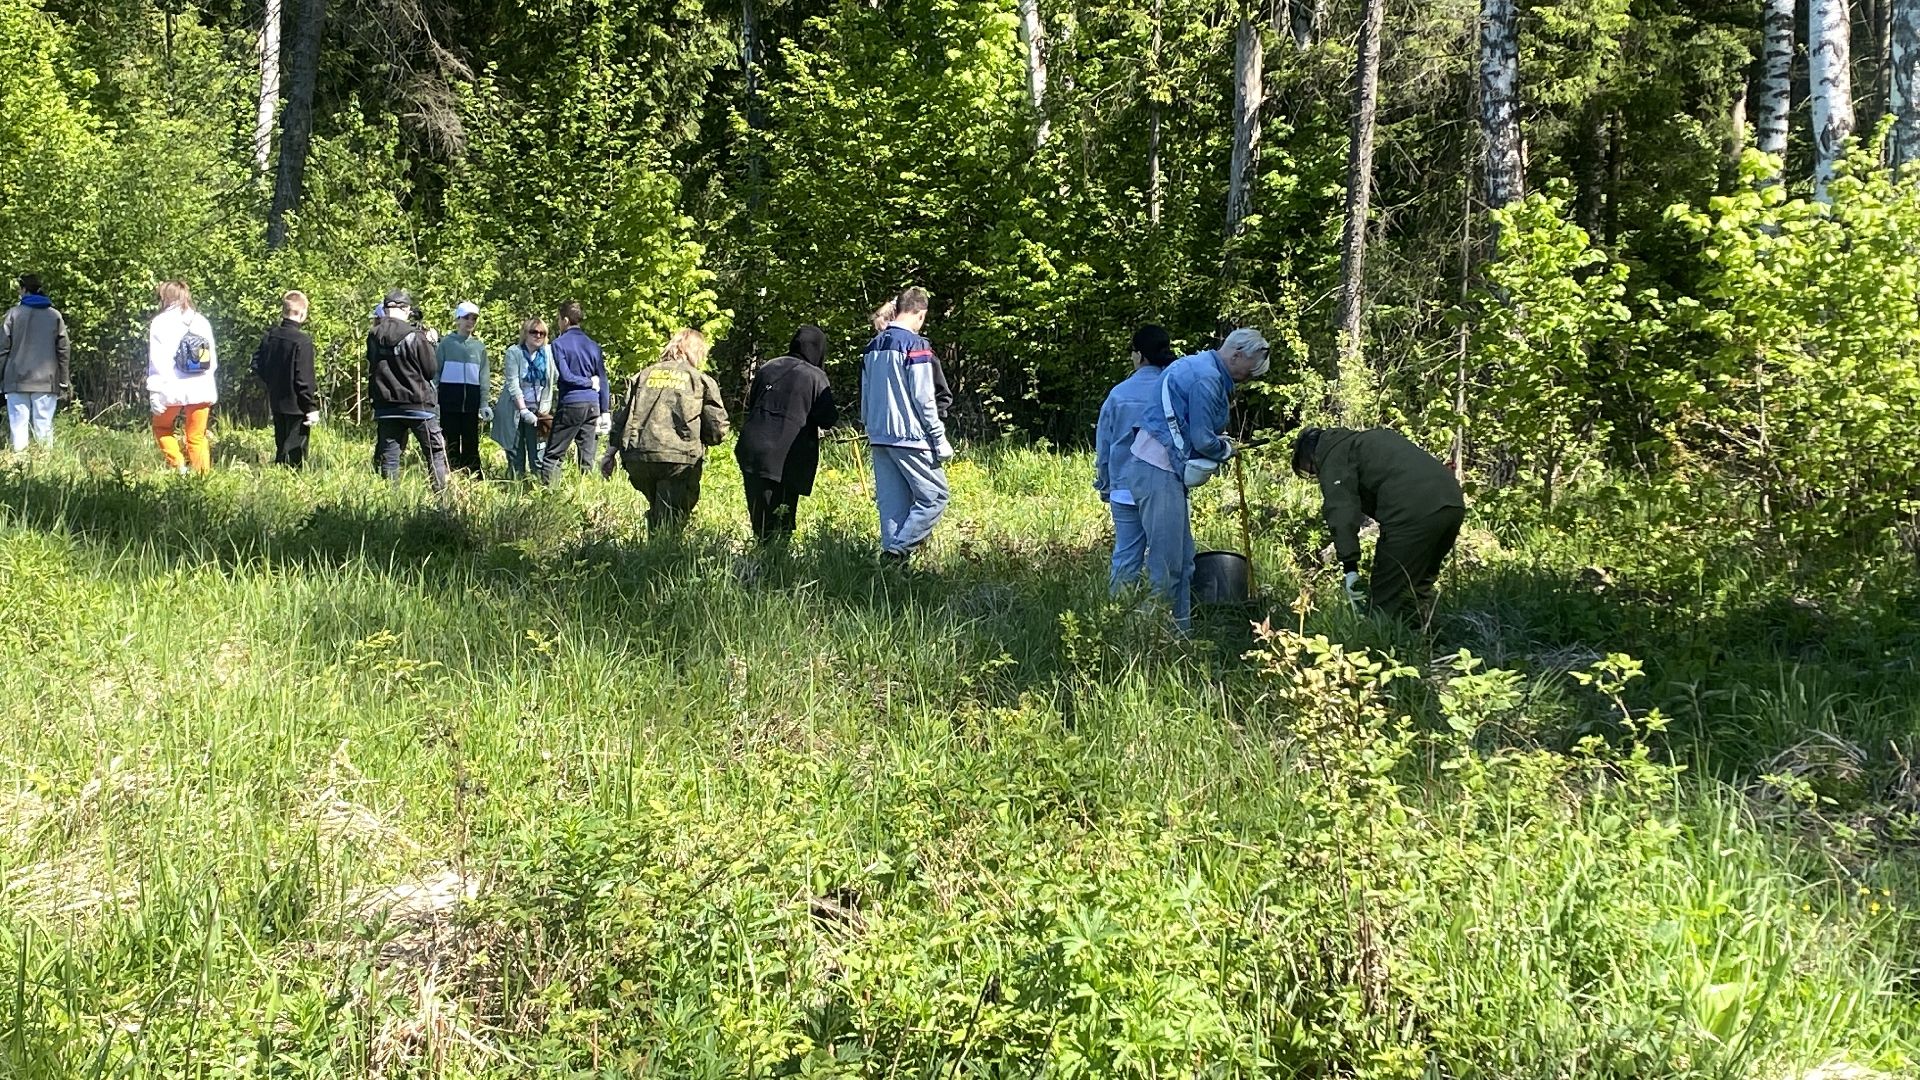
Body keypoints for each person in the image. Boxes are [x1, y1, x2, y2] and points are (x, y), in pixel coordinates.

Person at [1120, 327, 1272, 630]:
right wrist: (1226, 448)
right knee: (1168, 565)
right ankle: (1153, 639)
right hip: (1158, 470)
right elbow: (1203, 439)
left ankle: (1181, 632)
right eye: (1251, 367)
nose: (1252, 375)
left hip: (1154, 468)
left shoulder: (1195, 364)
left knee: (1184, 560)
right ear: (1236, 354)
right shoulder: (1208, 379)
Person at [1292, 426, 1466, 625]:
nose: (1316, 474)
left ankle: (1385, 649)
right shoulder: (1367, 440)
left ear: (1311, 456)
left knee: (1385, 604)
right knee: (1415, 590)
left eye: (1312, 470)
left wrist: (1350, 569)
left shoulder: (1332, 455)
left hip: (1413, 512)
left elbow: (1341, 513)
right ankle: (1427, 646)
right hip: (1452, 503)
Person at [861, 287, 953, 562]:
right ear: (920, 314)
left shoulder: (872, 346)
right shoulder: (916, 346)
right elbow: (924, 398)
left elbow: (865, 396)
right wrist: (939, 439)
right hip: (911, 437)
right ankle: (896, 553)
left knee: (893, 508)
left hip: (879, 437)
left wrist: (869, 427)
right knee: (935, 497)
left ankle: (892, 572)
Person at [610, 329, 729, 531]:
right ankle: (664, 556)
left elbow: (620, 417)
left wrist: (609, 453)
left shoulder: (642, 376)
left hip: (638, 456)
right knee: (673, 517)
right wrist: (706, 440)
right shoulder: (700, 380)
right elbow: (718, 428)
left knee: (658, 508)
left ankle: (652, 546)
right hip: (678, 459)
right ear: (696, 352)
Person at [735, 325, 839, 543]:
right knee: (781, 519)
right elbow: (828, 418)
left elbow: (753, 403)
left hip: (752, 449)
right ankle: (774, 566)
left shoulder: (768, 367)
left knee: (760, 516)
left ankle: (762, 561)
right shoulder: (816, 377)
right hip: (786, 456)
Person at [1093, 325, 1176, 593]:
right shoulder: (1173, 390)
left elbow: (1104, 445)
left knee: (1126, 557)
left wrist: (1105, 484)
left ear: (1139, 355)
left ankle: (1118, 618)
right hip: (1164, 487)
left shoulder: (1118, 394)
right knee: (1164, 560)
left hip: (1123, 487)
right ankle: (1161, 621)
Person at [366, 289, 449, 492]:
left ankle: (389, 504)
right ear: (406, 310)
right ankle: (442, 503)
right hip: (418, 404)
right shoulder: (415, 336)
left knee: (390, 459)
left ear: (385, 310)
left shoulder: (373, 336)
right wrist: (431, 343)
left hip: (386, 406)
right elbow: (430, 371)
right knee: (435, 453)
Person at [147, 280, 220, 474]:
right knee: (197, 436)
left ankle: (178, 466)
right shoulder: (202, 321)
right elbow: (212, 360)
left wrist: (154, 391)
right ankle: (203, 478)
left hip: (170, 386)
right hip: (201, 386)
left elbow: (157, 360)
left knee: (162, 428)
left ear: (165, 297)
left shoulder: (160, 322)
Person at [540, 301, 610, 484]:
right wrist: (605, 411)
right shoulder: (593, 345)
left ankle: (549, 498)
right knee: (587, 457)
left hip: (572, 403)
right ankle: (586, 497)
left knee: (553, 455)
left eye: (558, 319)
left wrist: (586, 382)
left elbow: (566, 376)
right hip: (593, 405)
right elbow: (602, 379)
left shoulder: (559, 344)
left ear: (565, 320)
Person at [0, 274, 71, 453]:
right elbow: (63, 350)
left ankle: (19, 469)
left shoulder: (13, 314)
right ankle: (45, 468)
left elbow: (2, 350)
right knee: (44, 425)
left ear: (24, 289)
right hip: (46, 380)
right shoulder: (54, 315)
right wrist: (63, 379)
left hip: (16, 379)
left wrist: (1, 377)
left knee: (18, 426)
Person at [250, 290, 319, 468]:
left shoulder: (270, 336)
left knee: (281, 445)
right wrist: (310, 406)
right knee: (295, 454)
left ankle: (278, 481)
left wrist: (271, 381)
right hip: (297, 404)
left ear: (284, 311)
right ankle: (292, 487)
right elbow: (303, 378)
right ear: (302, 313)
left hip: (276, 399)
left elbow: (256, 363)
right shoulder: (302, 341)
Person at [491, 318, 554, 479]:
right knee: (516, 455)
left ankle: (537, 491)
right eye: (534, 332)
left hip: (539, 412)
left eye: (542, 333)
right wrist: (523, 410)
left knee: (538, 456)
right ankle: (516, 489)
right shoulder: (515, 352)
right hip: (515, 409)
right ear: (525, 333)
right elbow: (513, 383)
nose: (538, 336)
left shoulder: (548, 353)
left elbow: (557, 376)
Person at [436, 301, 491, 477]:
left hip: (471, 403)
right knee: (450, 439)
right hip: (449, 401)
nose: (470, 322)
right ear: (457, 319)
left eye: (474, 318)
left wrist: (484, 403)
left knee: (471, 441)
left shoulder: (479, 347)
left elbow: (484, 377)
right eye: (467, 317)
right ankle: (449, 475)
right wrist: (433, 401)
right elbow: (435, 373)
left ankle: (473, 476)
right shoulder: (445, 344)